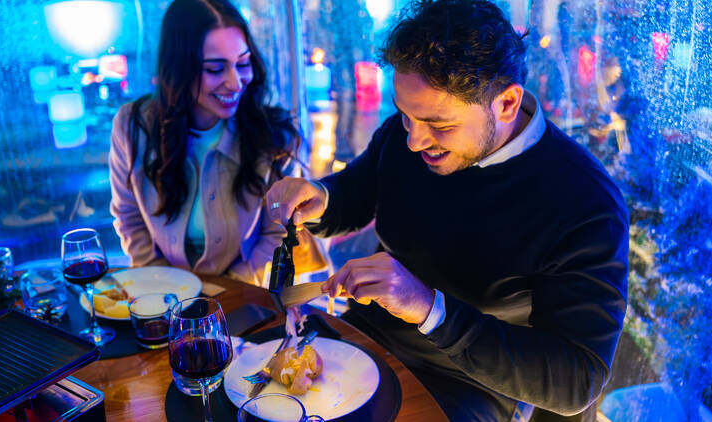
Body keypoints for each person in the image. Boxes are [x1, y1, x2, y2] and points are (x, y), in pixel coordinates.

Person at [265, 0, 629, 420]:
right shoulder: (408, 135)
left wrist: (429, 308)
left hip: (468, 383)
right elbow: (356, 193)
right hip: (366, 338)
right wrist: (320, 196)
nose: (414, 142)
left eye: (439, 125)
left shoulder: (584, 202)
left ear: (507, 104)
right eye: (405, 117)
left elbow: (576, 380)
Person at [109, 0, 302, 286]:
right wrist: (164, 285)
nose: (236, 83)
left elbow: (279, 233)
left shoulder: (273, 135)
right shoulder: (132, 125)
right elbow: (129, 218)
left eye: (243, 63)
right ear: (178, 69)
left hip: (242, 293)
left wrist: (233, 288)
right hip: (161, 292)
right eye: (215, 69)